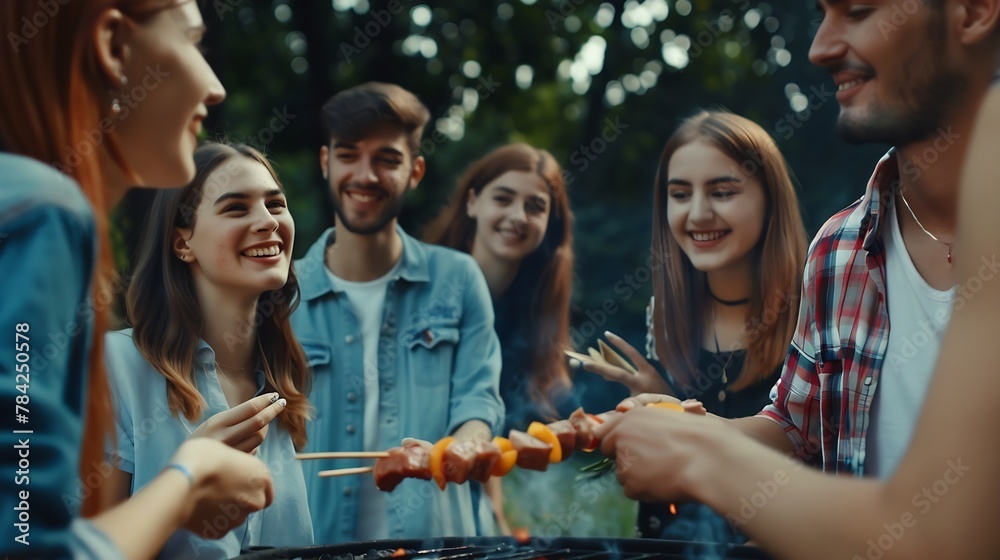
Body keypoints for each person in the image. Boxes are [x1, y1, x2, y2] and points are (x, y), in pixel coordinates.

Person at [597, 0, 1000, 556]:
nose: (820, 48)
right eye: (823, 13)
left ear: (974, 12)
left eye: (858, 11)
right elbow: (795, 426)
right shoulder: (837, 250)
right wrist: (691, 429)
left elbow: (939, 539)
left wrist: (700, 457)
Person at [0, 1, 274, 559]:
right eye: (193, 42)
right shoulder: (41, 212)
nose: (216, 87)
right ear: (114, 49)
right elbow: (28, 543)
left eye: (276, 204)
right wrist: (186, 480)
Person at [290, 82, 504, 544]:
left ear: (415, 171)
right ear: (326, 163)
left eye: (387, 159)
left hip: (441, 547)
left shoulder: (459, 279)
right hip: (313, 549)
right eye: (348, 155)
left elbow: (477, 400)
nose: (365, 175)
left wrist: (467, 443)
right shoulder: (281, 294)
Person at [581, 110, 806, 542]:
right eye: (680, 194)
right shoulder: (663, 318)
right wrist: (660, 404)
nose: (698, 213)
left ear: (769, 199)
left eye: (722, 192)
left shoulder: (817, 310)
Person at [103, 142, 314, 558]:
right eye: (236, 208)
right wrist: (184, 482)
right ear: (183, 243)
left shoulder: (290, 386)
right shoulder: (115, 368)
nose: (267, 222)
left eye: (276, 205)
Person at [428, 142, 577, 535]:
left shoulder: (531, 315)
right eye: (504, 198)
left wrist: (497, 519)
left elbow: (483, 424)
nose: (518, 216)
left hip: (460, 506)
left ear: (550, 224)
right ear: (473, 202)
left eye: (535, 206)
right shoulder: (425, 288)